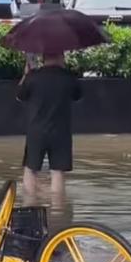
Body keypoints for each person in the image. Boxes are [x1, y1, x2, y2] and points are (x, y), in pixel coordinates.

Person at [17, 51, 82, 200]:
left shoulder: (33, 77)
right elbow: (78, 96)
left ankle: (30, 206)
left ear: (43, 58)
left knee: (30, 170)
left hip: (36, 132)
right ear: (61, 57)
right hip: (61, 133)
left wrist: (26, 75)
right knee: (57, 172)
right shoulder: (68, 78)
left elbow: (19, 96)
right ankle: (58, 212)